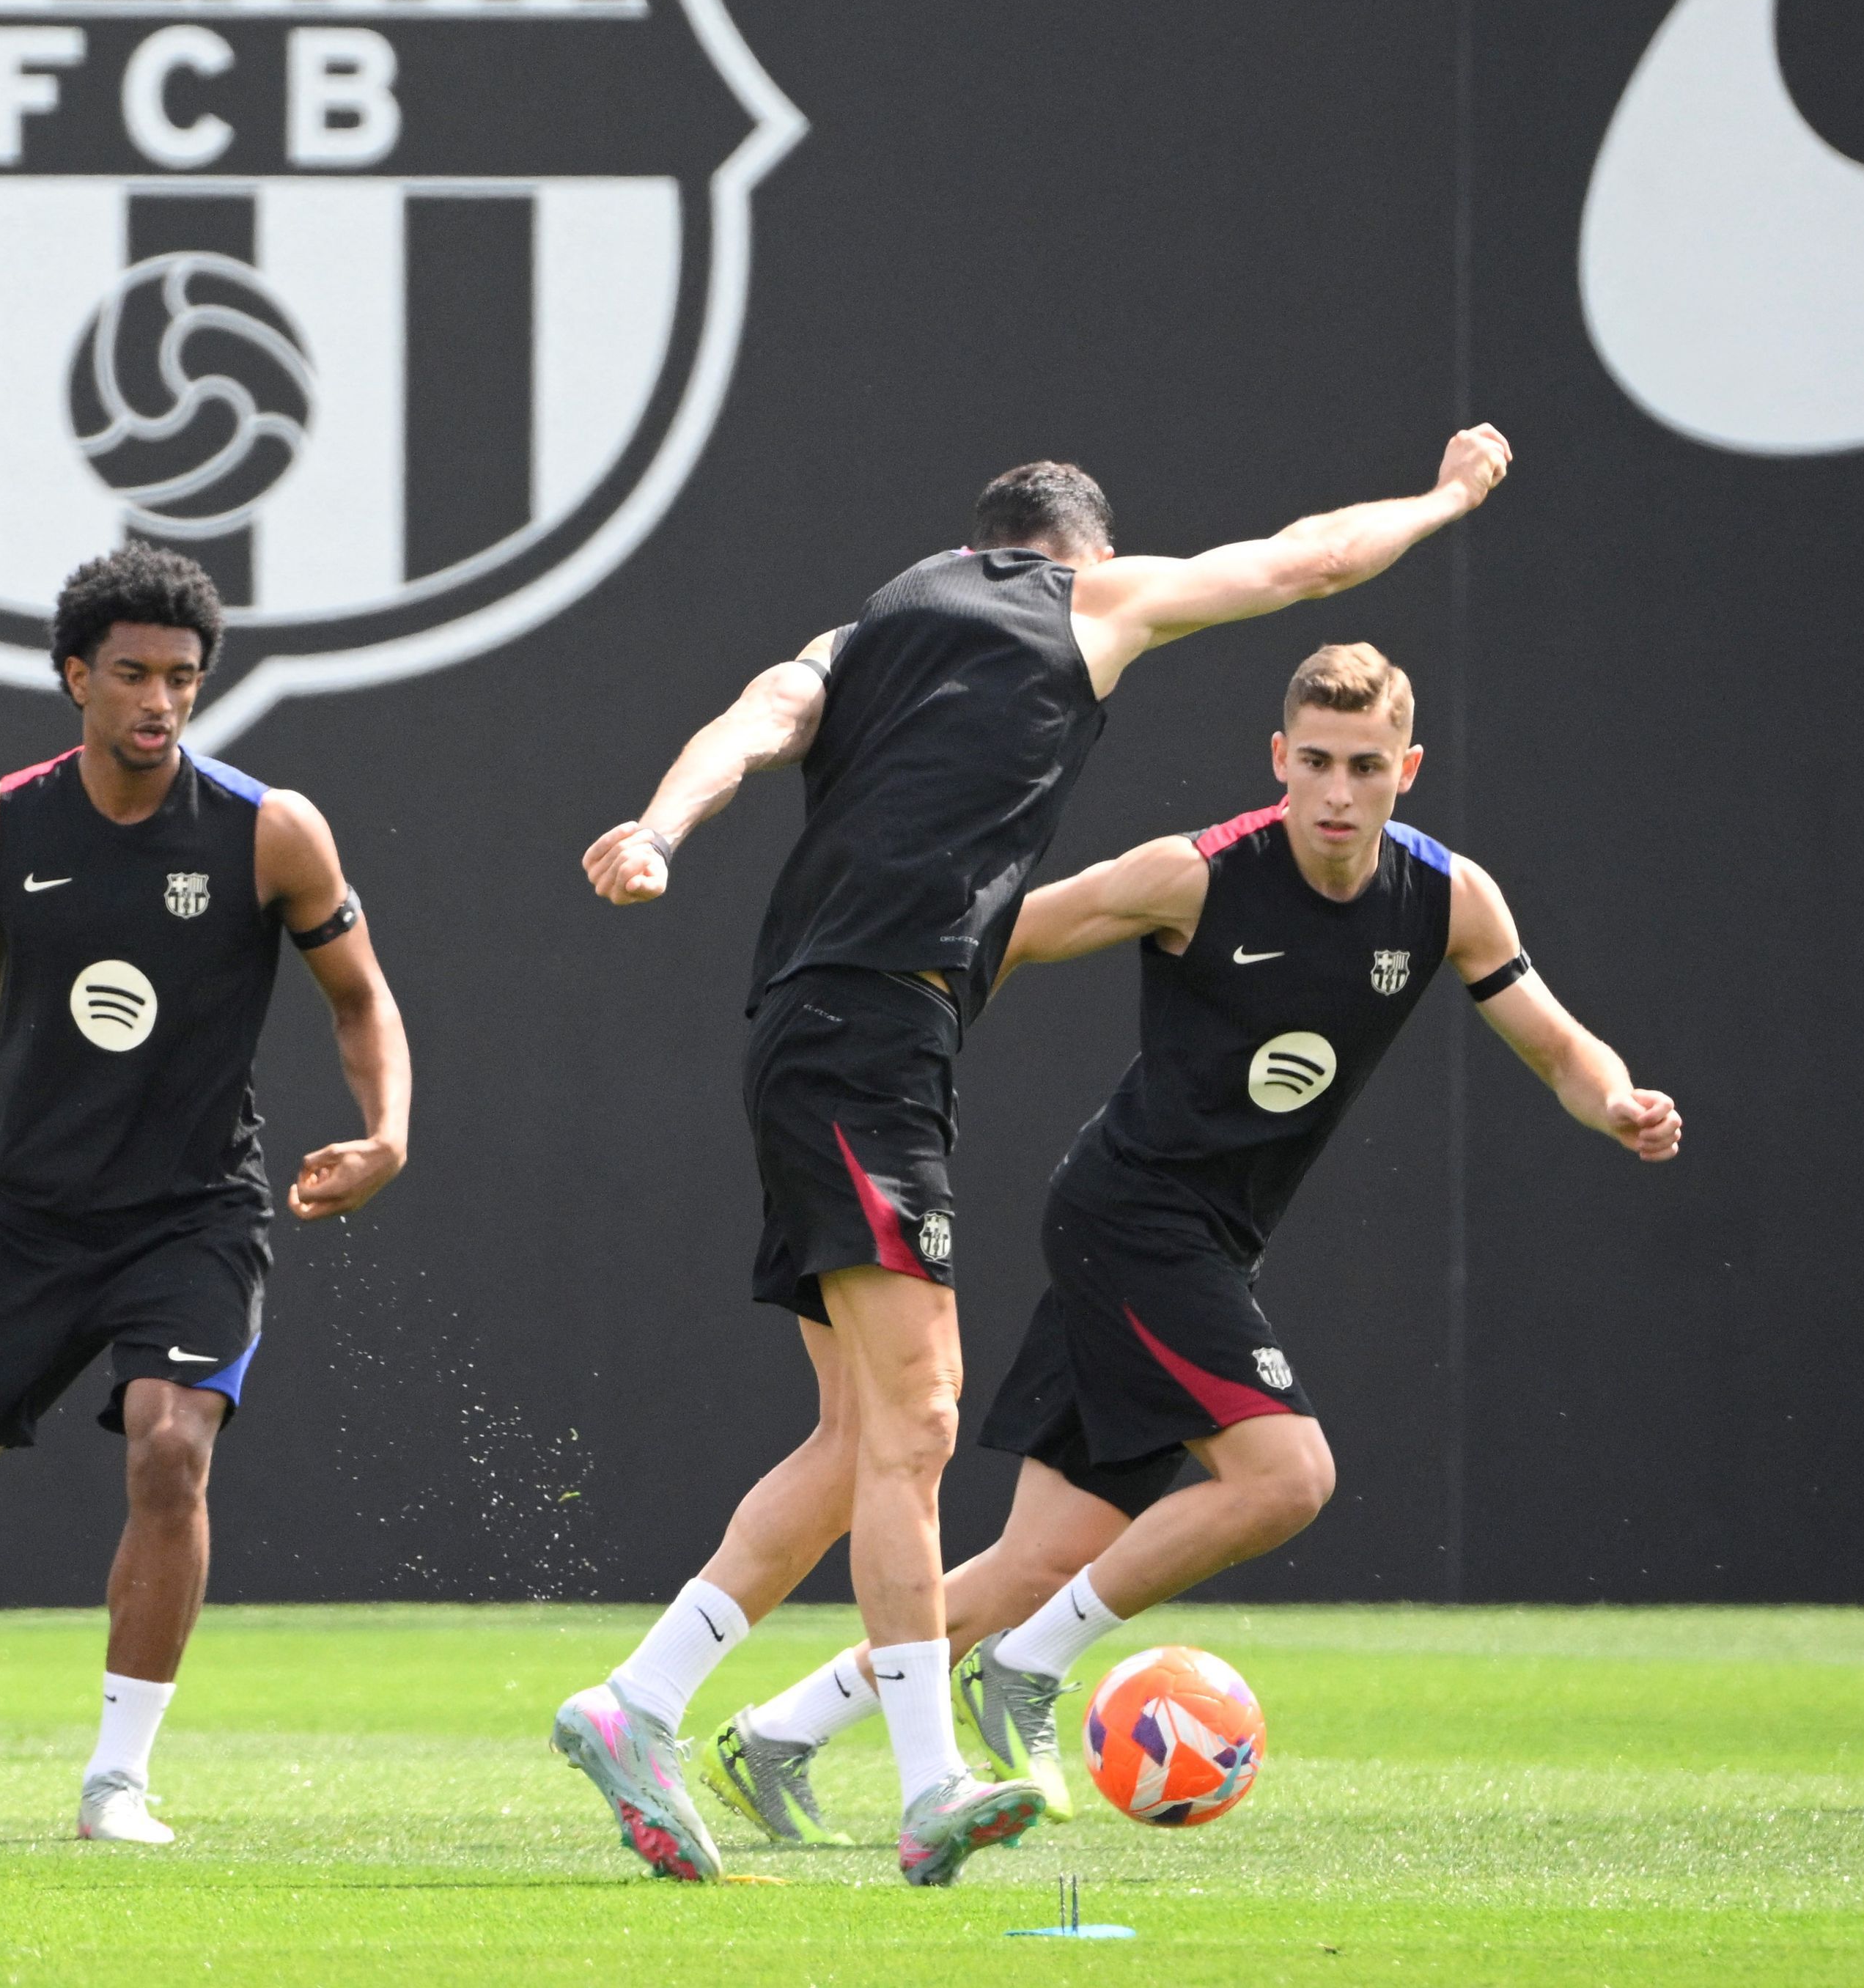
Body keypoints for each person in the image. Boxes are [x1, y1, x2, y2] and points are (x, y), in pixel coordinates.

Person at [554, 430, 1511, 1888]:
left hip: (820, 1027)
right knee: (920, 1423)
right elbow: (1310, 556)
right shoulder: (1083, 601)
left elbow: (748, 724)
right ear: (1080, 552)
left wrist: (658, 829)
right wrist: (1446, 498)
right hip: (870, 1031)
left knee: (852, 1439)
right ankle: (929, 1783)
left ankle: (639, 1704)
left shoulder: (858, 631)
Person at [702, 640, 1680, 1837]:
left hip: (1205, 1240)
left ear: (1405, 770)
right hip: (1131, 1220)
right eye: (1312, 761)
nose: (1334, 792)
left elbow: (1559, 1047)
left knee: (1032, 1566)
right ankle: (1022, 1669)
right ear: (1277, 758)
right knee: (1287, 1478)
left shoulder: (1446, 898)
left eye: (1363, 767)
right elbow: (994, 937)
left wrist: (1619, 1101)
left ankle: (774, 1735)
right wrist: (873, 1041)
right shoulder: (1196, 875)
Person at [0, 543, 413, 1848]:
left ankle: (117, 1776)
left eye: (181, 676)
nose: (159, 700)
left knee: (172, 1448)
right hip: (34, 1221)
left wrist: (386, 1132)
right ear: (74, 677)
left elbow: (361, 998)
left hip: (194, 1216)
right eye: (131, 675)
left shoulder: (270, 830)